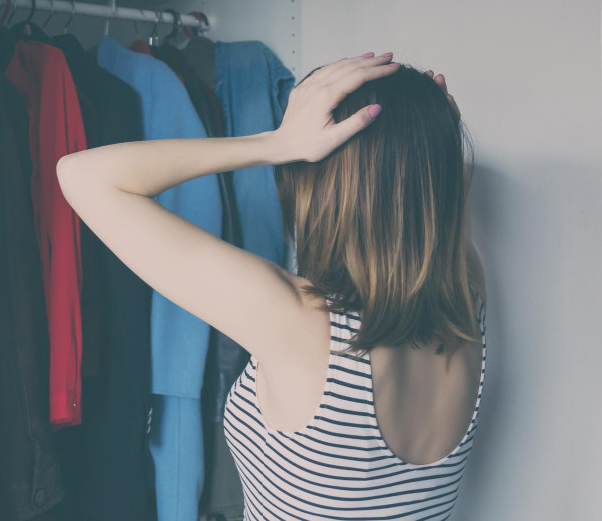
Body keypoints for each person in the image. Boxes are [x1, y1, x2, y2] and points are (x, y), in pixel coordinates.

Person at [56, 52, 487, 520]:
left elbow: (81, 176)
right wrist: (431, 140)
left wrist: (276, 143)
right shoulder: (467, 300)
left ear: (324, 182)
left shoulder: (301, 325)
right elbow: (441, 211)